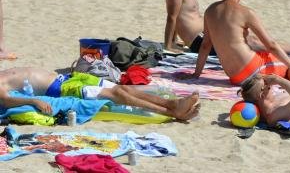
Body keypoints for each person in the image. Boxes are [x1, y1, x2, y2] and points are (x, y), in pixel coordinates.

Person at [187, 0, 290, 85]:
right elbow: (271, 45)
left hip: (234, 77)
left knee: (258, 48)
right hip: (252, 71)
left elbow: (205, 45)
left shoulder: (210, 11)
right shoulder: (246, 13)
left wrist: (196, 74)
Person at [0, 67, 200, 121]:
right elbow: (7, 101)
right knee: (117, 94)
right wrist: (34, 100)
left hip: (70, 78)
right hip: (63, 89)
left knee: (125, 89)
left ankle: (172, 104)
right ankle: (170, 112)